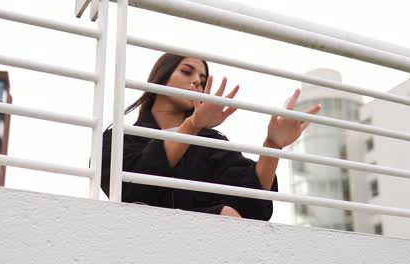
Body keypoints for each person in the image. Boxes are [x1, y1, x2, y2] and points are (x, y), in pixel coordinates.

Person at [101, 53, 321, 221]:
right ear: (161, 78)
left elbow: (251, 205)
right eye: (187, 72)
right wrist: (192, 125)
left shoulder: (210, 141)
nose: (197, 81)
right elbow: (131, 190)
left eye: (203, 78)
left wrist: (272, 146)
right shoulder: (119, 139)